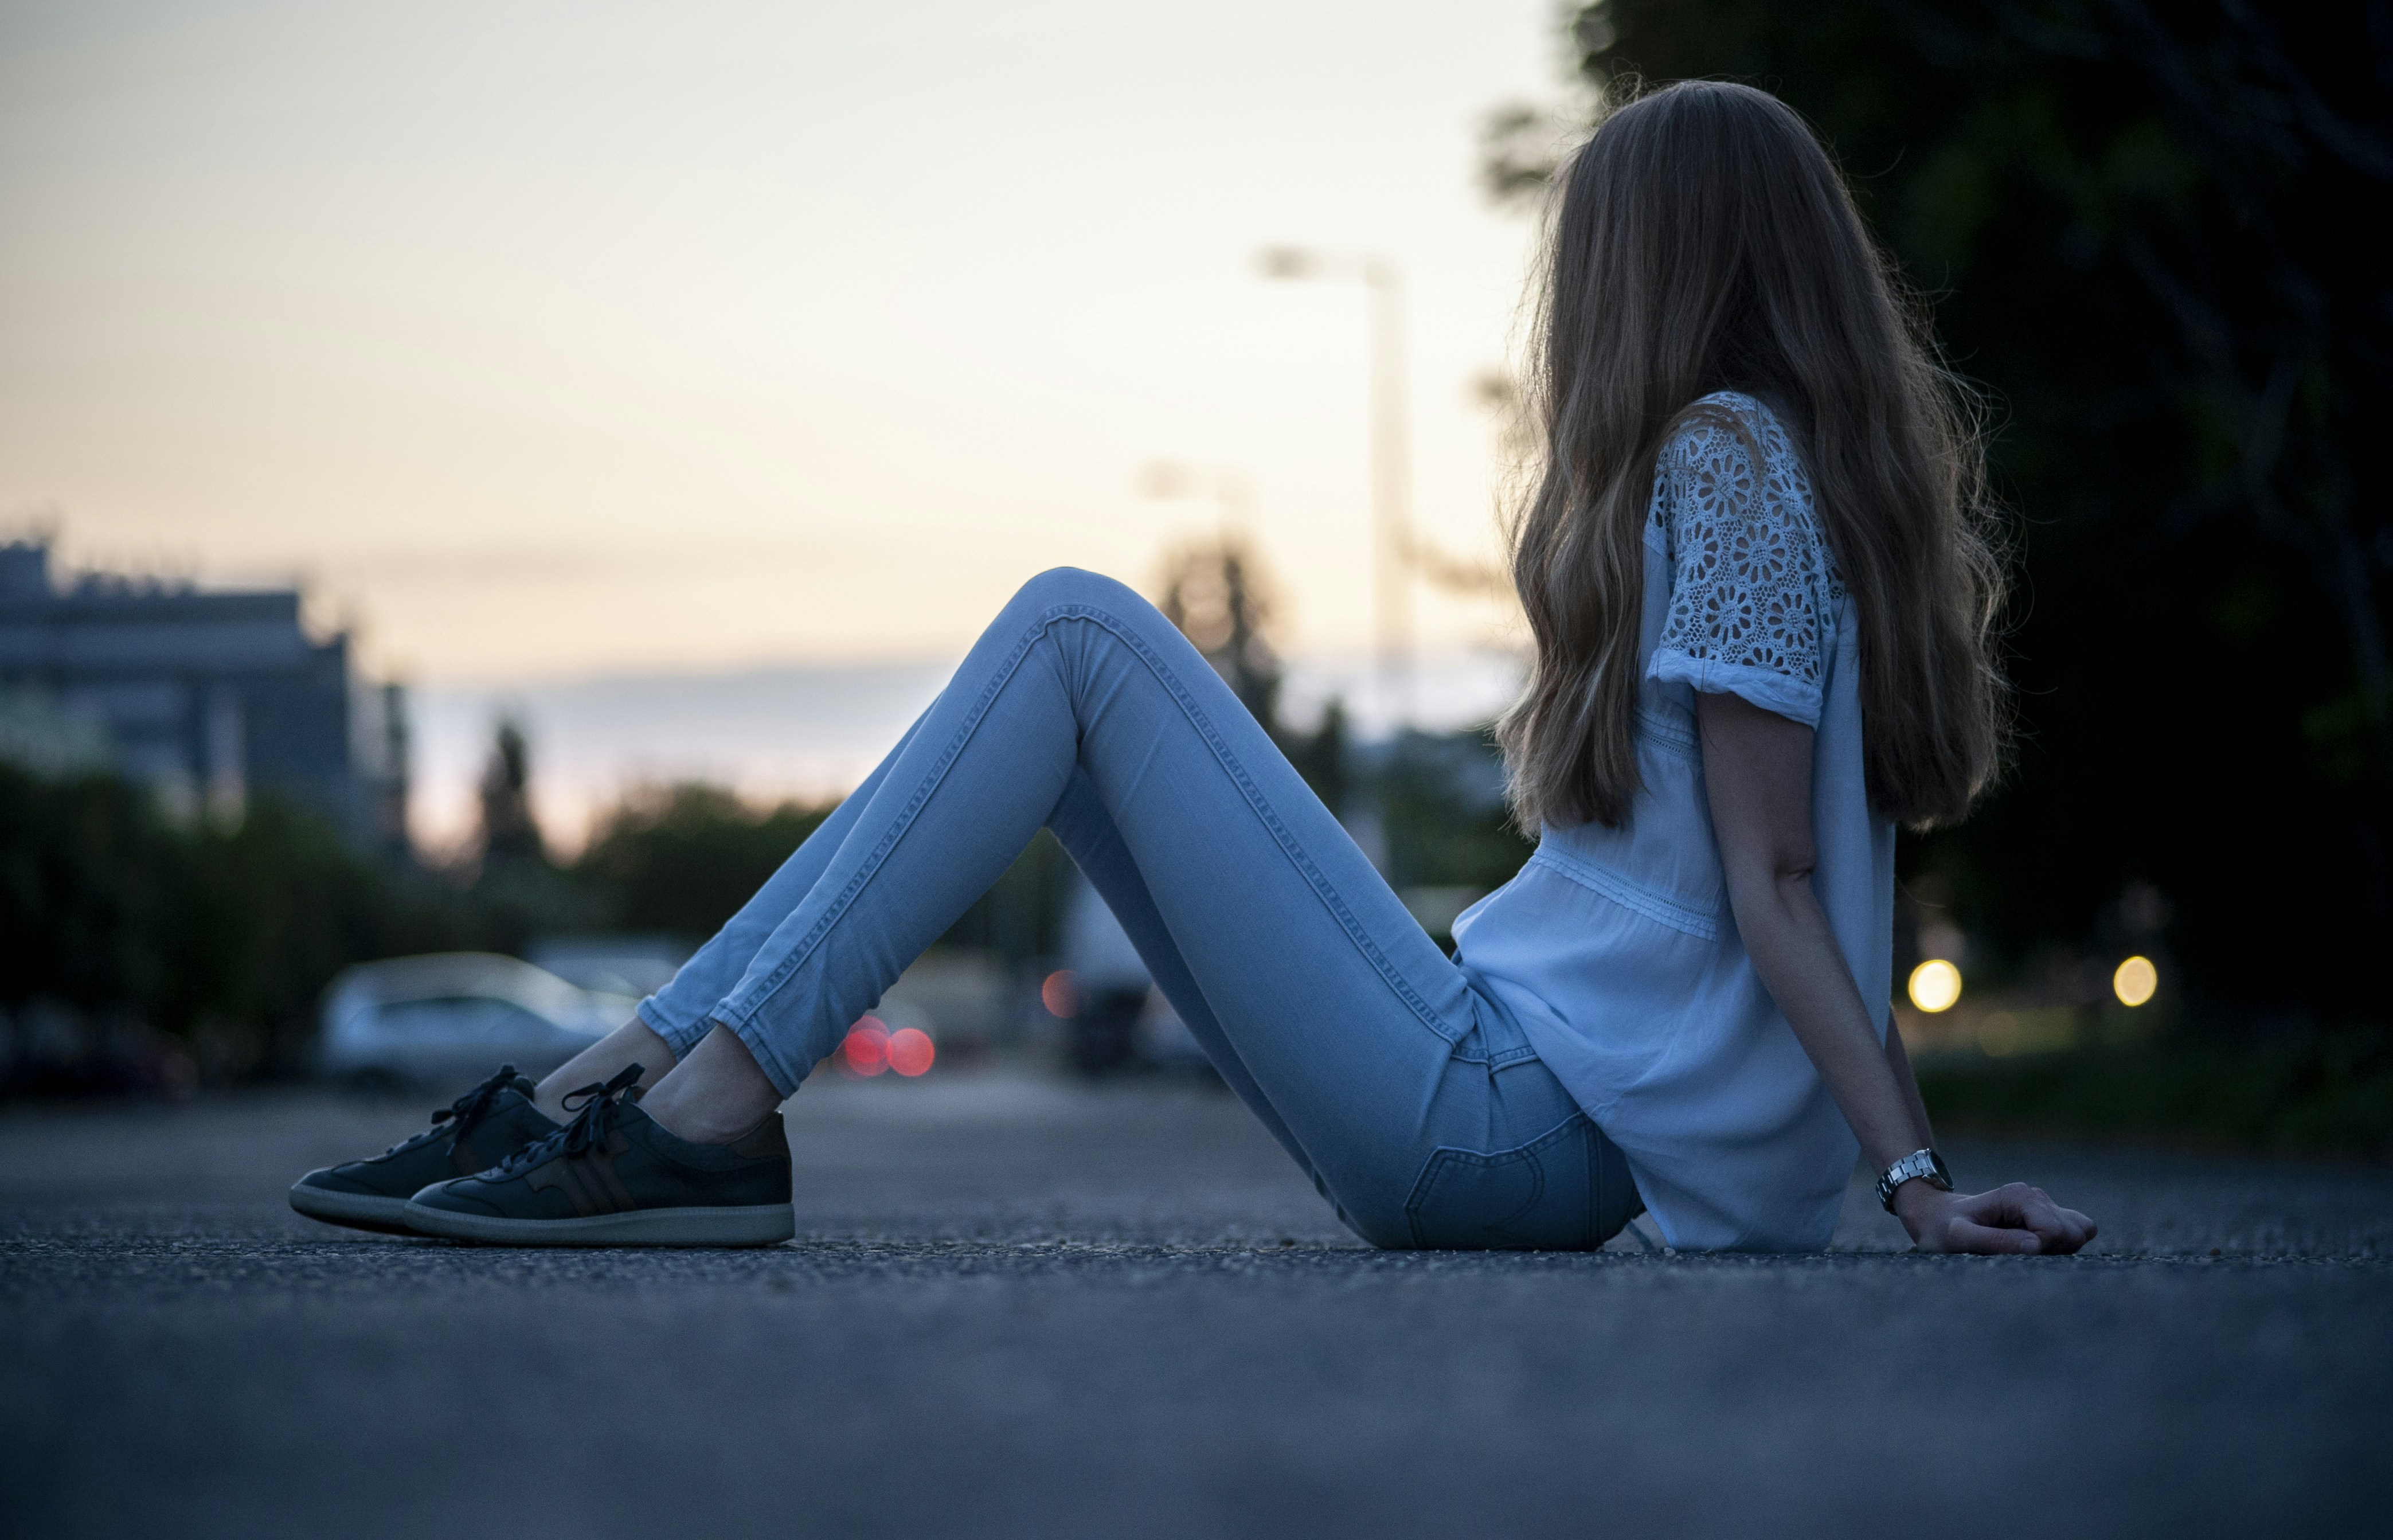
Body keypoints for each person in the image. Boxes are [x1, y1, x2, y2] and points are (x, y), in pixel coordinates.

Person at [292, 79, 2095, 1256]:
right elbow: (1781, 883)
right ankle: (619, 1089)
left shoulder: (1725, 463)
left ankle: (685, 1109)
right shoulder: (1770, 473)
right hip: (1508, 1111)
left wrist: (1915, 1187)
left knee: (1079, 624)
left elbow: (1780, 884)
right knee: (1069, 721)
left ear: (1655, 265)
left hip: (1525, 1124)